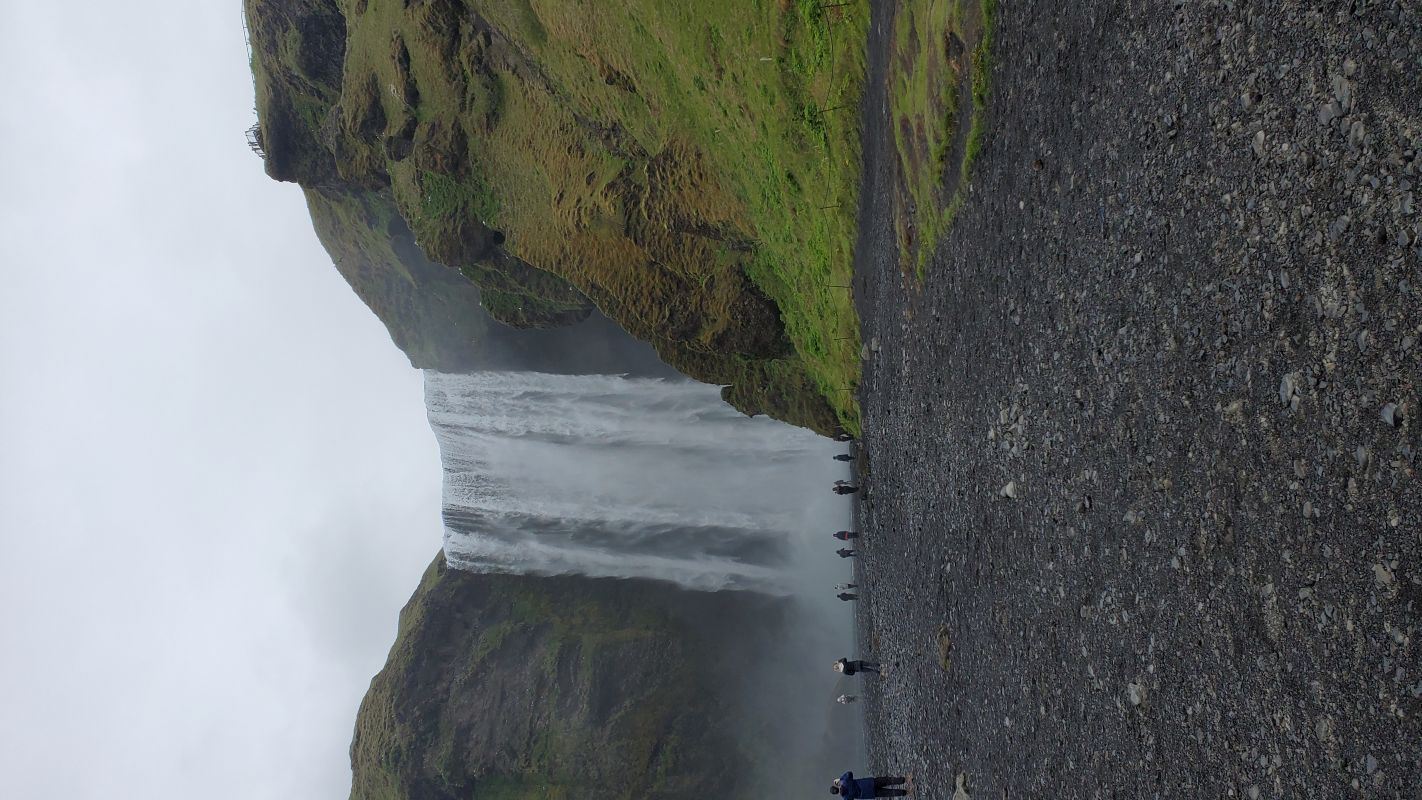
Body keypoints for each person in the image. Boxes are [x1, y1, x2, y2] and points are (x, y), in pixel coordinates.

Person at [831, 772, 908, 797]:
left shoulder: (846, 797)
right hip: (869, 783)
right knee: (887, 780)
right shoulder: (845, 782)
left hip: (870, 793)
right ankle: (904, 780)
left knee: (888, 793)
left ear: (836, 793)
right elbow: (849, 773)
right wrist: (840, 779)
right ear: (836, 786)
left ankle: (905, 792)